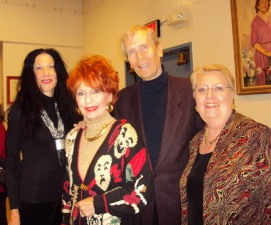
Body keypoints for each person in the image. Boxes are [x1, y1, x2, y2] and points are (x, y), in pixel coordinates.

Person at [113, 25, 203, 225]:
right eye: (132, 52)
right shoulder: (122, 100)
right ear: (128, 60)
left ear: (159, 49)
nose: (140, 57)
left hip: (178, 202)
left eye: (144, 47)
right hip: (137, 205)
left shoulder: (190, 91)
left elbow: (207, 140)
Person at [61, 55, 153, 225]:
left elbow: (142, 190)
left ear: (110, 95)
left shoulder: (124, 135)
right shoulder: (72, 137)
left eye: (95, 91)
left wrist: (98, 203)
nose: (88, 100)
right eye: (81, 93)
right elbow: (68, 189)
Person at [180, 64, 271, 224]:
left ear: (232, 94)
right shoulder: (196, 142)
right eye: (202, 90)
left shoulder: (257, 135)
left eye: (218, 88)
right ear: (195, 97)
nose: (209, 96)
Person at [6, 48, 79, 225]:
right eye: (39, 68)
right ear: (31, 74)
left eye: (51, 67)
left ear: (58, 71)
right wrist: (14, 211)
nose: (46, 73)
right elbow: (12, 163)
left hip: (66, 196)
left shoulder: (69, 107)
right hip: (34, 198)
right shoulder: (20, 110)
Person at [251, 0, 271, 85]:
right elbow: (254, 43)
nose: (265, 4)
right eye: (262, 2)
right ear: (258, 5)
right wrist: (267, 53)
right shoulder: (255, 22)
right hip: (261, 53)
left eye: (266, 1)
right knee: (263, 79)